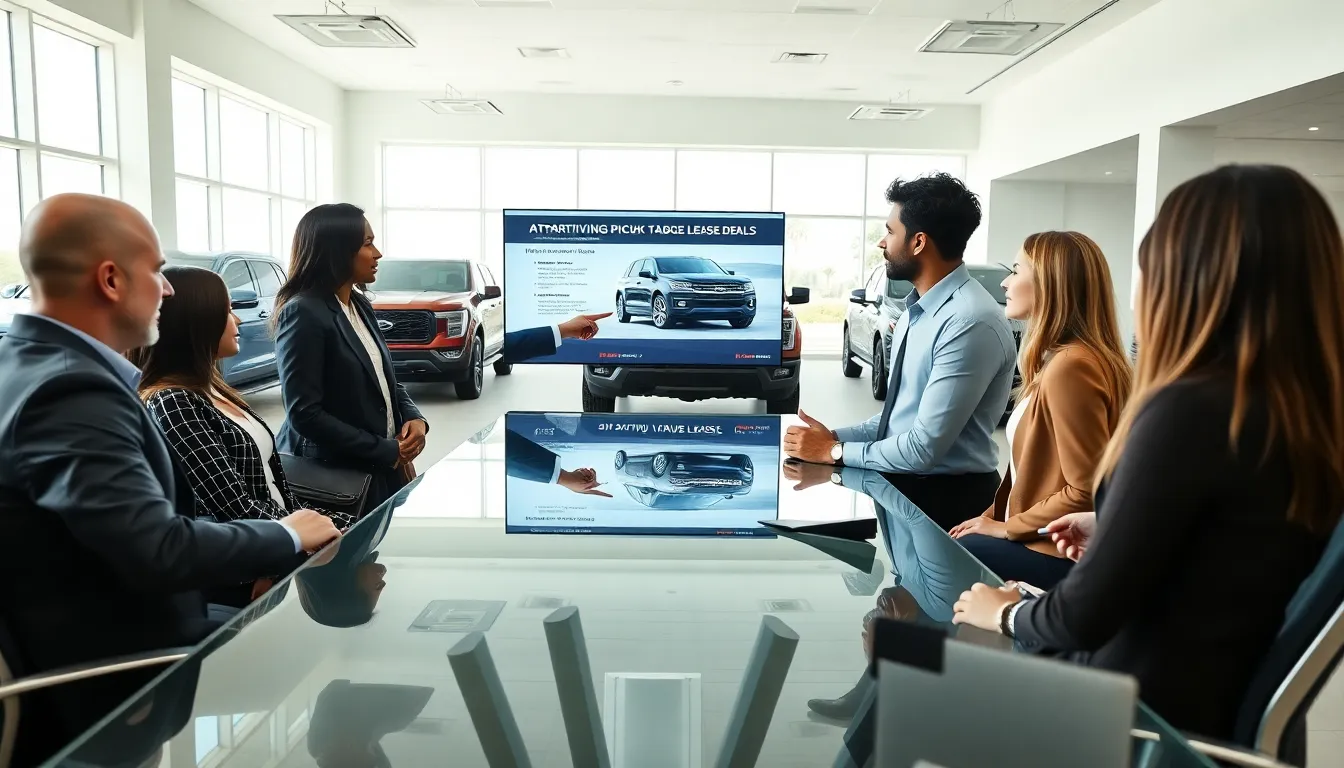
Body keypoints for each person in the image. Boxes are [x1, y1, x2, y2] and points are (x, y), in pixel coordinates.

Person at [952, 165, 1344, 742]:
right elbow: (1234, 544)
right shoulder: (1300, 413)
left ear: (1185, 276)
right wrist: (1114, 522)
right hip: (1201, 704)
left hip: (1127, 716)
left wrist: (1004, 612)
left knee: (912, 656)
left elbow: (1083, 617)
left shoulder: (1190, 410)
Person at [0, 194, 341, 765]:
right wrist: (287, 535)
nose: (169, 288)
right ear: (110, 280)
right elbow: (155, 547)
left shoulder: (22, 360)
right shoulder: (71, 392)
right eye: (156, 270)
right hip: (110, 689)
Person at [274, 203, 608, 509]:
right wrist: (387, 450)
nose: (377, 252)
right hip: (334, 476)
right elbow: (304, 414)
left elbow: (386, 381)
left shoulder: (359, 304)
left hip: (378, 469)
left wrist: (415, 418)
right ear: (337, 250)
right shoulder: (303, 313)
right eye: (367, 243)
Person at [783, 173, 1016, 529]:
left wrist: (832, 452)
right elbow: (895, 418)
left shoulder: (970, 322)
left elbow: (923, 448)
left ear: (919, 242)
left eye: (891, 232)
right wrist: (832, 437)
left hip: (951, 504)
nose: (882, 242)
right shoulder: (915, 313)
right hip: (902, 488)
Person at [128, 266, 358, 604]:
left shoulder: (214, 388)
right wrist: (303, 537)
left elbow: (271, 490)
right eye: (227, 312)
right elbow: (234, 506)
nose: (237, 321)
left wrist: (330, 524)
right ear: (197, 322)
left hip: (279, 550)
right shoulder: (173, 401)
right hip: (251, 575)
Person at [948, 232, 1132, 589]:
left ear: (1050, 283)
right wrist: (989, 518)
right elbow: (1027, 473)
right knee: (960, 538)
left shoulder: (1071, 366)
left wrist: (1005, 529)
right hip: (1046, 540)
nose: (1005, 282)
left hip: (1060, 552)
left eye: (1016, 270)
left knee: (958, 556)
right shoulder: (1065, 360)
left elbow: (1085, 489)